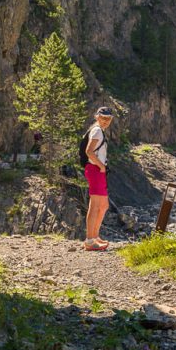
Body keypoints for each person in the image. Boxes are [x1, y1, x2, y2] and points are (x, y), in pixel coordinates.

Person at [83, 107, 113, 251]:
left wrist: (102, 168)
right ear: (97, 117)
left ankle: (94, 236)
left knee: (103, 205)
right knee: (95, 205)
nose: (106, 121)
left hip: (98, 170)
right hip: (95, 169)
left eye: (108, 118)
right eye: (103, 118)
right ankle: (90, 241)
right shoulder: (97, 131)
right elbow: (89, 151)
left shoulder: (99, 130)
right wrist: (101, 166)